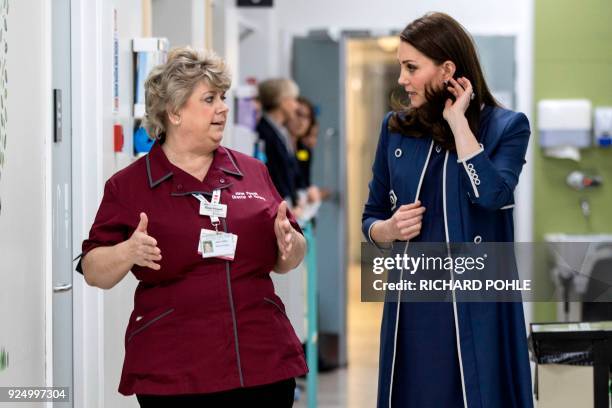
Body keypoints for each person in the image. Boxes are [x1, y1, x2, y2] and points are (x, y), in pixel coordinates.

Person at [76, 47, 307, 407]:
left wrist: (290, 245)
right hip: (174, 371)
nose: (223, 108)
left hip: (261, 360)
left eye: (224, 98)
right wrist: (127, 252)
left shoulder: (252, 171)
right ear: (174, 112)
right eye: (210, 98)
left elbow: (289, 255)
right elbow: (93, 271)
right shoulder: (130, 186)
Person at [361, 12, 533, 408]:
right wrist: (387, 230)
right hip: (417, 308)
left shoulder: (506, 127)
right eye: (401, 67)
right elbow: (371, 215)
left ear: (448, 70)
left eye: (411, 67)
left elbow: (491, 196)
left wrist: (459, 125)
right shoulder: (395, 129)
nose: (402, 79)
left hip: (478, 303)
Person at [256, 78, 306, 213]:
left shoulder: (282, 132)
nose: (296, 106)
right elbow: (273, 175)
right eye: (294, 100)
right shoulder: (263, 133)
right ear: (283, 101)